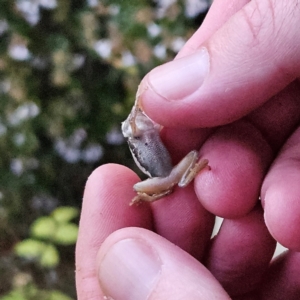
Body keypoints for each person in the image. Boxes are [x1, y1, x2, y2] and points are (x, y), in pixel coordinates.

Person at [75, 0, 300, 299]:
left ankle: (180, 180)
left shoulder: (148, 126)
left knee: (197, 159)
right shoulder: (137, 130)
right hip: (162, 176)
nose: (136, 120)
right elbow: (139, 129)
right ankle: (157, 190)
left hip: (173, 170)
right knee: (144, 182)